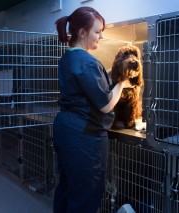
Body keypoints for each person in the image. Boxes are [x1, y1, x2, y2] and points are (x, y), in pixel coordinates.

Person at [53, 6, 134, 213]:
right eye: (97, 32)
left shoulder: (68, 57)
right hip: (84, 136)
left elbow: (87, 84)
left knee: (67, 186)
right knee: (86, 194)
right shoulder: (87, 61)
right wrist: (122, 83)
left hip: (65, 129)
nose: (100, 36)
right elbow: (105, 103)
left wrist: (112, 73)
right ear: (82, 33)